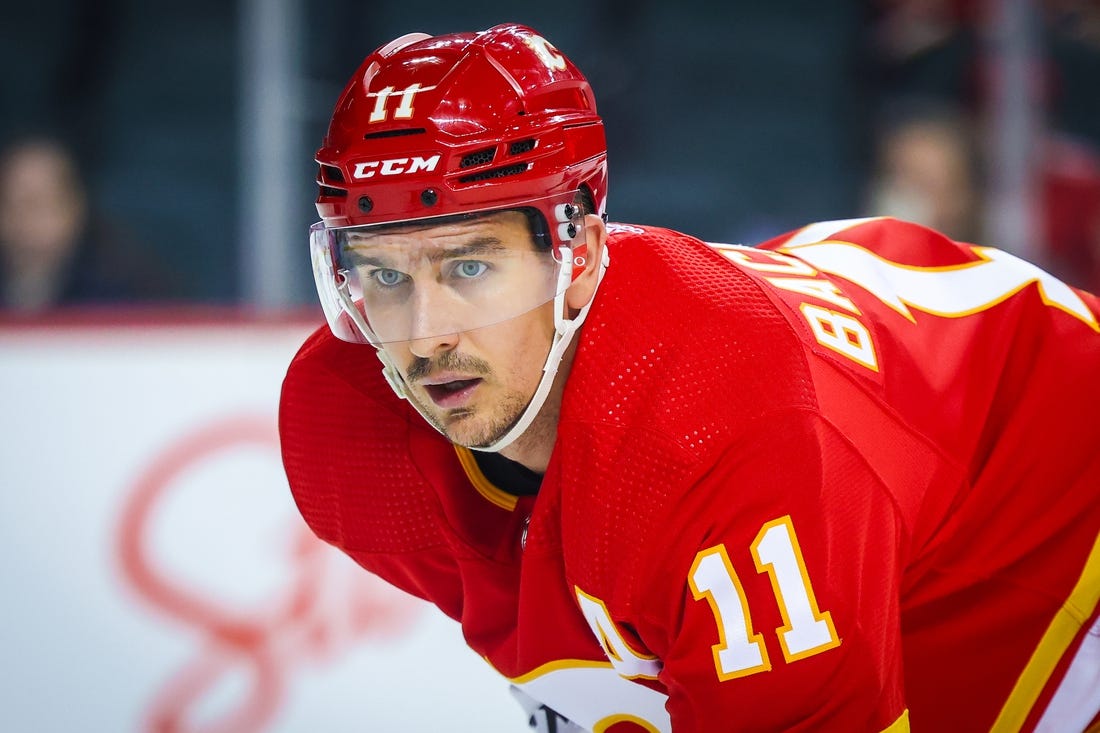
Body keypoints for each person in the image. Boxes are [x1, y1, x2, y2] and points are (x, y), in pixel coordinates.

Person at [279, 23, 1100, 732]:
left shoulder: (717, 429)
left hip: (1054, 503)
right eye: (385, 276)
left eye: (468, 265)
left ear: (581, 257)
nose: (425, 337)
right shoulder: (347, 423)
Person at [0, 135, 173, 311]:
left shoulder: (125, 295)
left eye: (37, 203)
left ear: (75, 208)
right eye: (8, 202)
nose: (21, 217)